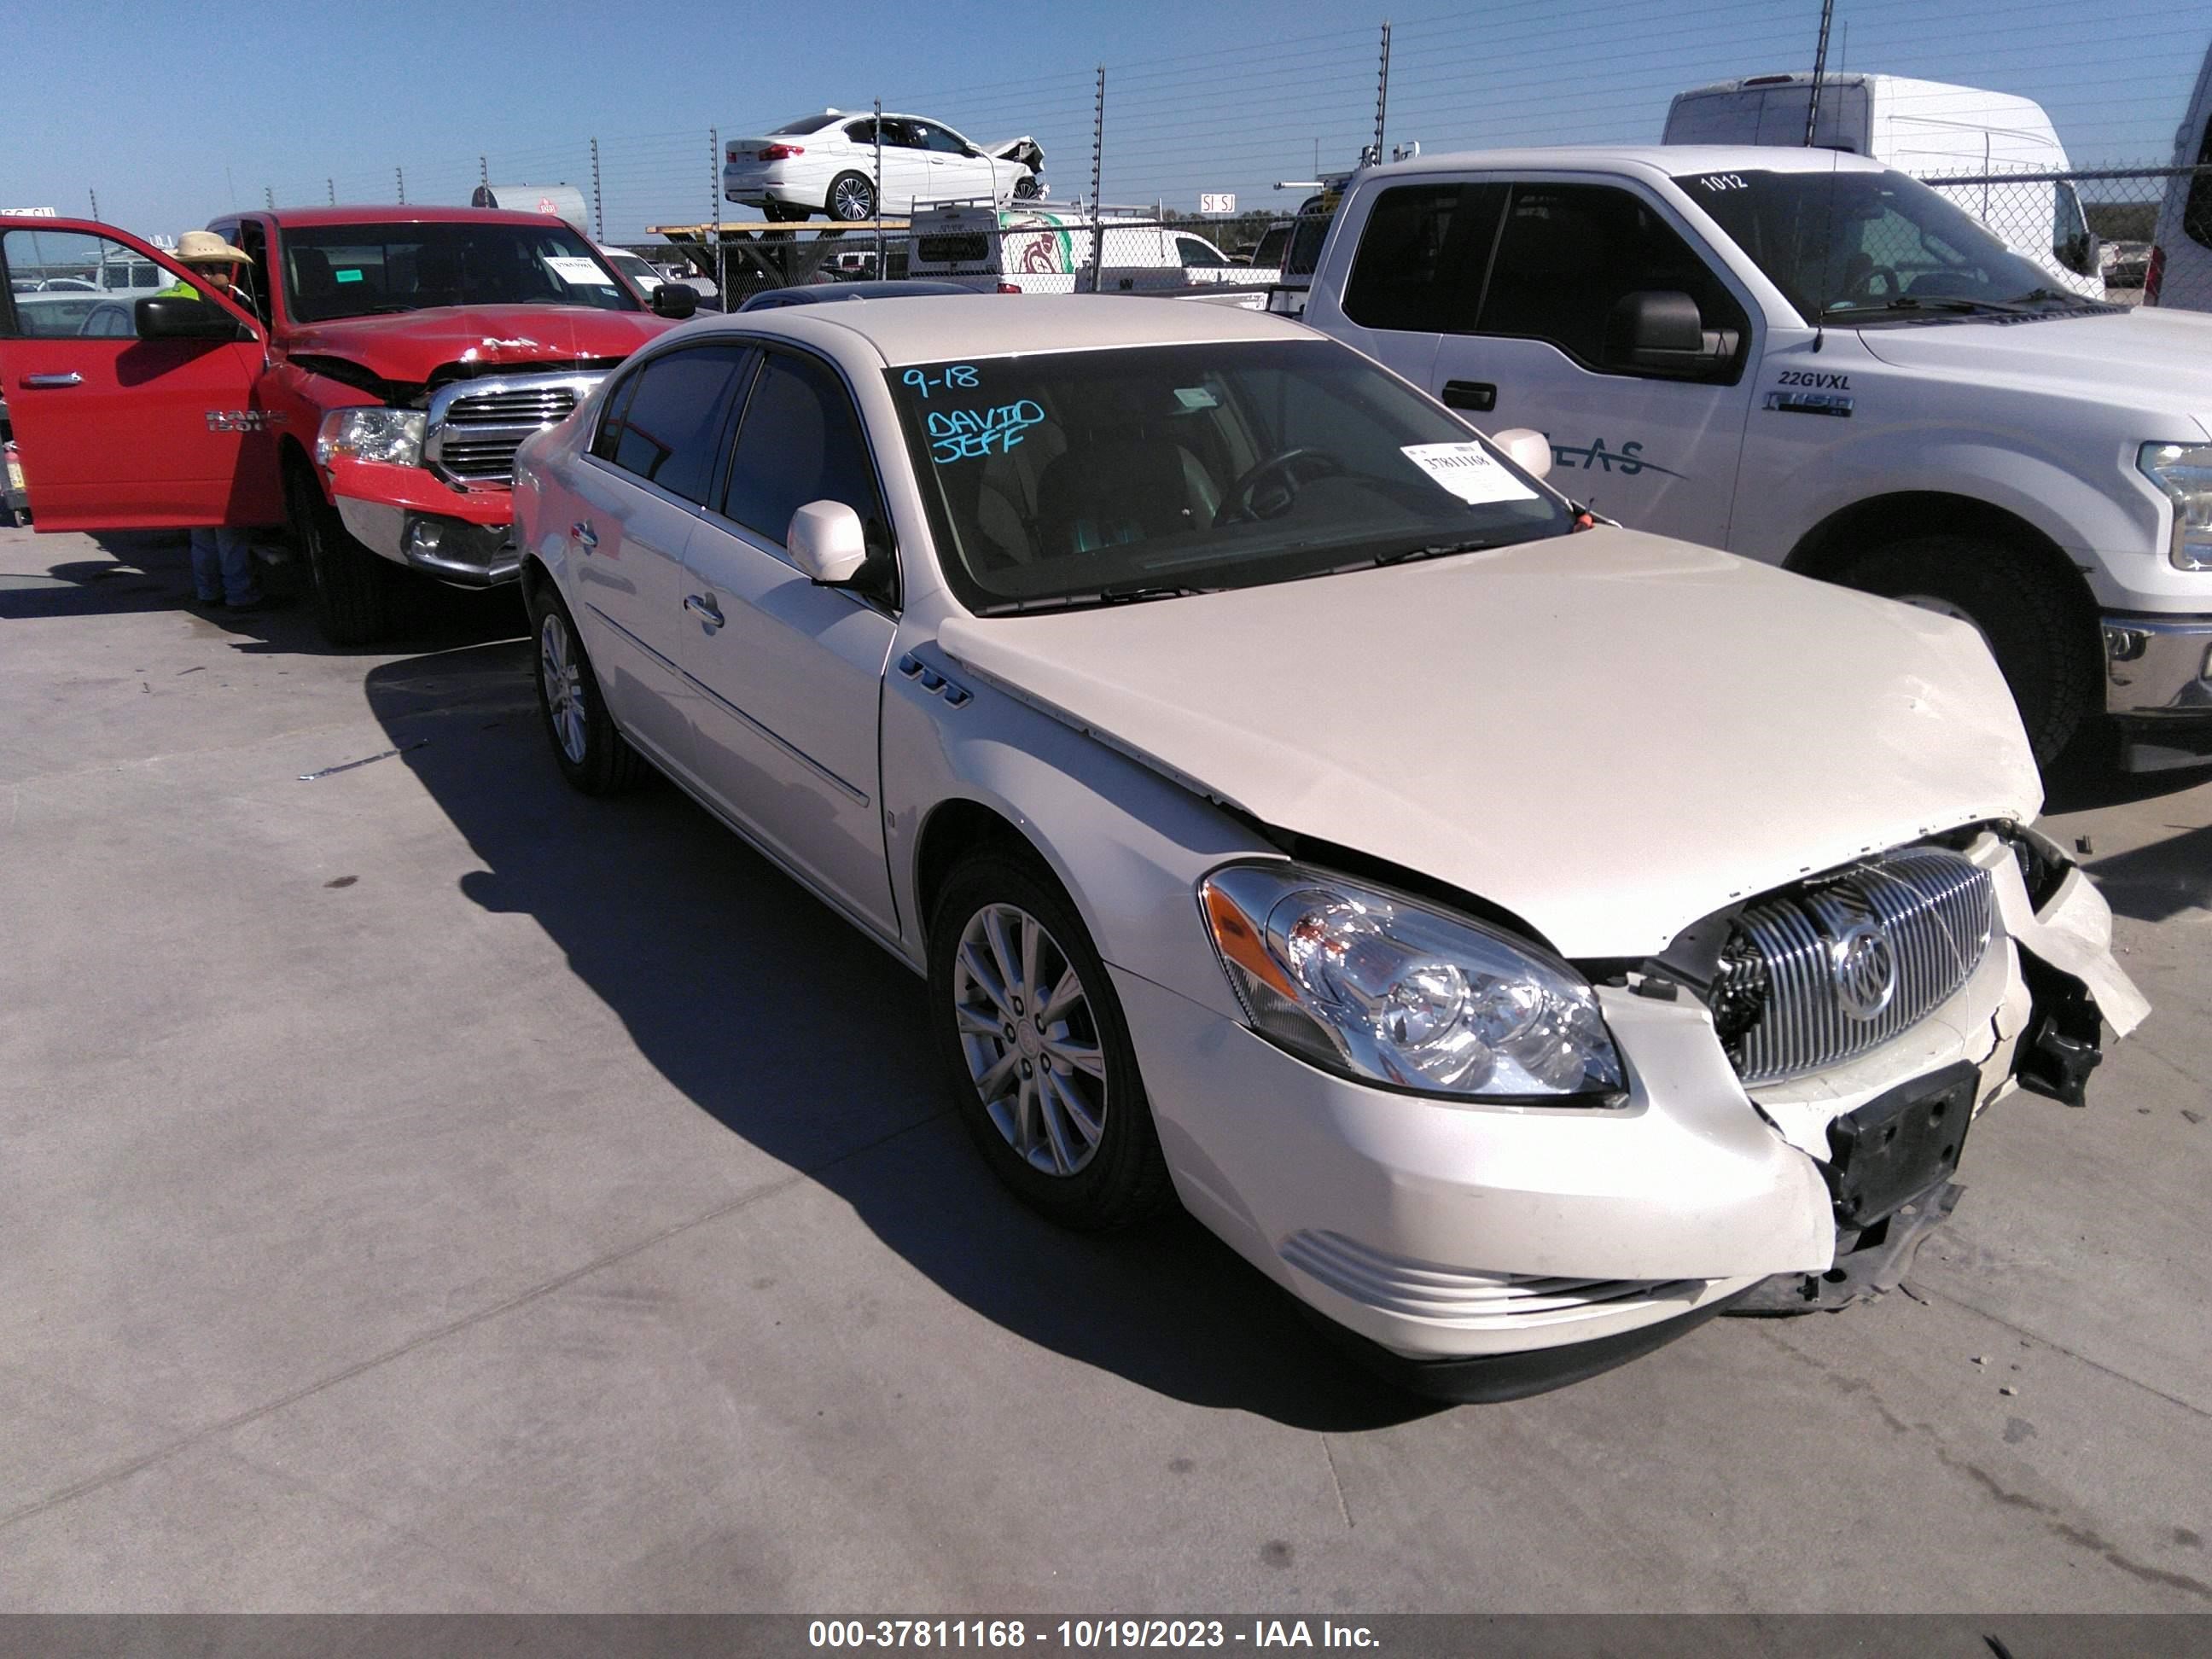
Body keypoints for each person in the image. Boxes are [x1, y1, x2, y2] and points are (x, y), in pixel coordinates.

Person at [159, 231, 265, 609]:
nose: (227, 273)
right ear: (204, 269)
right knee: (225, 517)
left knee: (203, 521)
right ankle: (240, 595)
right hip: (209, 417)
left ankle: (210, 591)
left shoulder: (222, 300)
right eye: (222, 267)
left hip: (190, 417)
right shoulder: (200, 305)